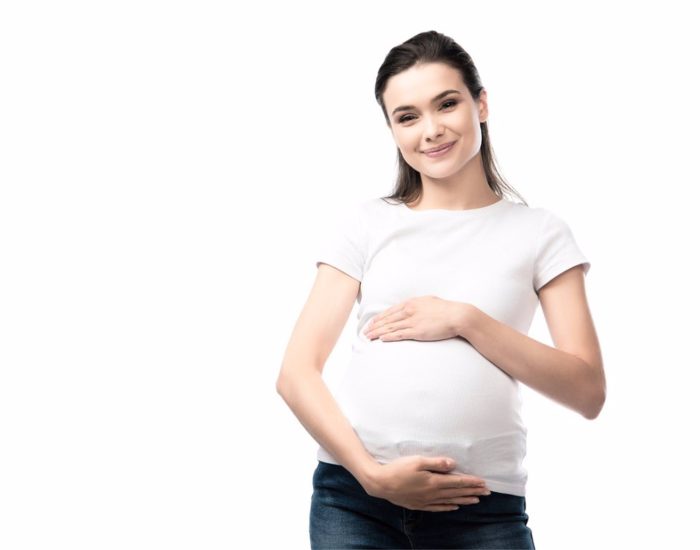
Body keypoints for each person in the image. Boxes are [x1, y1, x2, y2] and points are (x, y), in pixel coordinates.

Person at [276, 30, 606, 550]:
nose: (430, 130)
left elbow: (587, 392)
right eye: (407, 116)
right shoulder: (365, 225)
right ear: (392, 129)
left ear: (480, 103)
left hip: (481, 510)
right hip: (355, 499)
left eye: (446, 104)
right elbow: (296, 373)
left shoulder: (541, 233)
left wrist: (464, 320)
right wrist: (370, 474)